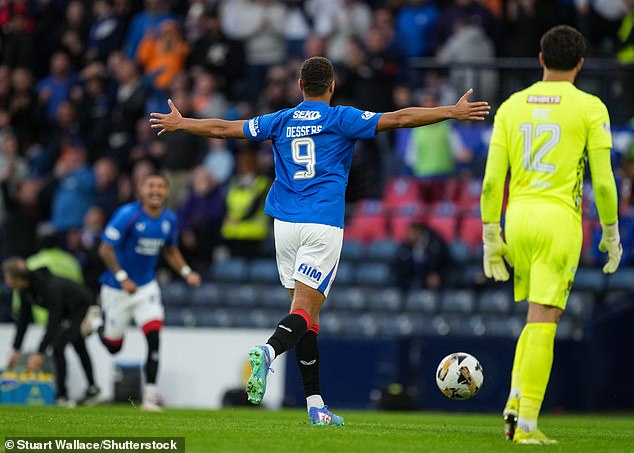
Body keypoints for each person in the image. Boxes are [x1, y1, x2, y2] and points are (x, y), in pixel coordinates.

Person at [149, 56, 490, 425]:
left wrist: (183, 123)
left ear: (299, 86)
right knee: (305, 313)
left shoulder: (279, 120)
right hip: (322, 224)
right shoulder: (341, 117)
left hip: (284, 225)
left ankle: (315, 405)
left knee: (306, 316)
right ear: (331, 86)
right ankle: (268, 350)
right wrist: (450, 113)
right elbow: (400, 118)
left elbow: (225, 129)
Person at [480, 25, 621, 444]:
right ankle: (526, 426)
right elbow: (606, 182)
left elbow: (491, 182)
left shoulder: (510, 106)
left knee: (535, 317)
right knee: (546, 319)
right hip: (559, 220)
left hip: (517, 218)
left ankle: (514, 401)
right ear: (581, 63)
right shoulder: (590, 107)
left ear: (540, 59)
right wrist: (611, 231)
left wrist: (490, 233)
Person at [89, 172, 201, 411]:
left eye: (160, 186)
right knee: (113, 346)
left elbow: (171, 250)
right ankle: (96, 322)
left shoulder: (170, 219)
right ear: (142, 190)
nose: (155, 190)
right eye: (151, 185)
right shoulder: (127, 215)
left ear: (167, 192)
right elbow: (105, 249)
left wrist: (186, 272)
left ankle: (149, 396)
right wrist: (122, 277)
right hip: (117, 288)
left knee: (154, 337)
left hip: (146, 288)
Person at [2, 258, 100, 407]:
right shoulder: (26, 290)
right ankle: (93, 389)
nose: (6, 281)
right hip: (67, 313)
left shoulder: (49, 287)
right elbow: (23, 321)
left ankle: (62, 395)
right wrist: (16, 349)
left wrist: (40, 352)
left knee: (58, 347)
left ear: (18, 278)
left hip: (82, 308)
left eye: (7, 276)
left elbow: (53, 322)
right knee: (78, 345)